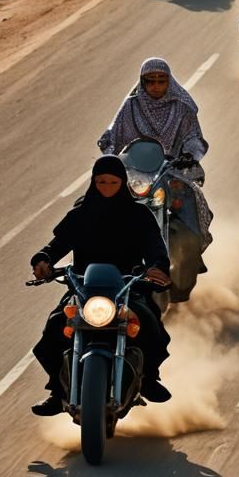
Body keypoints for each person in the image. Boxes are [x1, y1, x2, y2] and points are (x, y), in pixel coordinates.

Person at [29, 155, 173, 415]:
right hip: (84, 288)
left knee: (152, 327)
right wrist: (44, 260)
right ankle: (57, 391)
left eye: (113, 182)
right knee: (53, 329)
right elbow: (56, 246)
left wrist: (157, 267)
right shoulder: (79, 215)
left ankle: (150, 378)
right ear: (93, 182)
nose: (107, 186)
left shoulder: (139, 215)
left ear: (123, 183)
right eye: (101, 181)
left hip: (128, 288)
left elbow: (155, 247)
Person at [99, 57, 212, 299]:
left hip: (172, 168)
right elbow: (113, 134)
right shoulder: (131, 106)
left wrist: (190, 154)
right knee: (93, 204)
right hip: (135, 172)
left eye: (162, 81)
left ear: (169, 82)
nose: (156, 86)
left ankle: (191, 258)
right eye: (151, 81)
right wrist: (109, 152)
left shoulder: (182, 107)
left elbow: (193, 136)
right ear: (143, 82)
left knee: (191, 205)